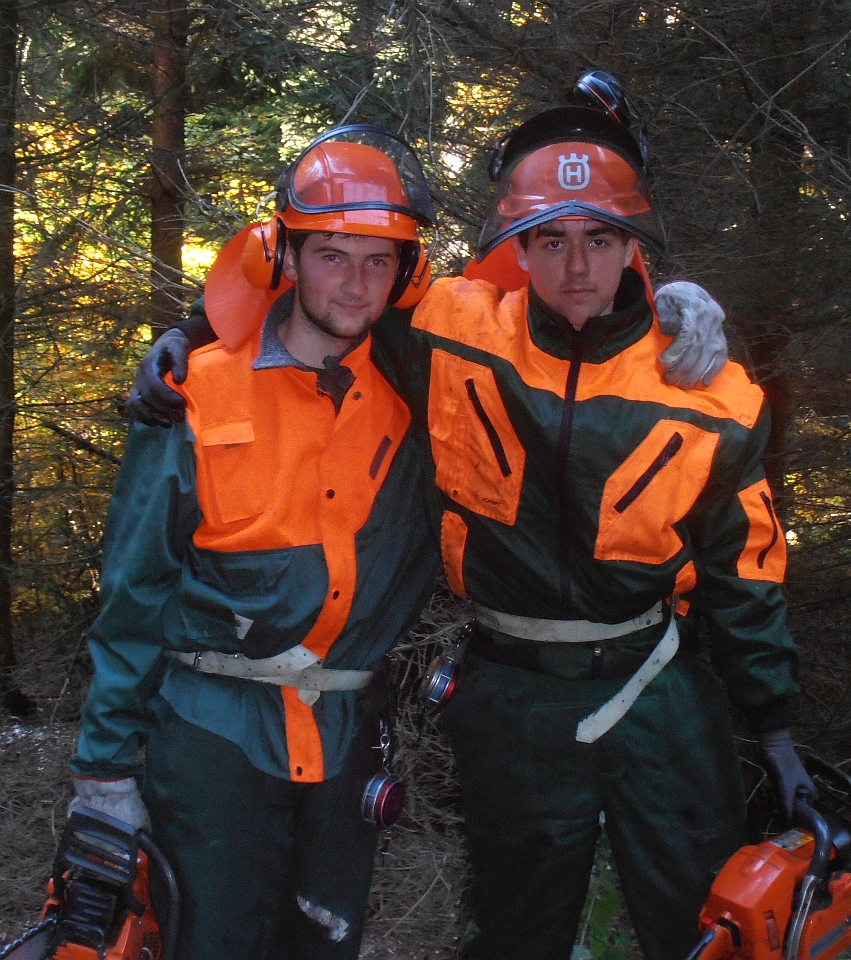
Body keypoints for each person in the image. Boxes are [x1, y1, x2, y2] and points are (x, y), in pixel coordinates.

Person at [130, 76, 811, 960]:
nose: (576, 268)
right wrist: (195, 331)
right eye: (551, 240)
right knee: (517, 929)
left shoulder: (707, 389)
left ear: (632, 246)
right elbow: (331, 272)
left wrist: (775, 728)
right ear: (518, 245)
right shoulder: (452, 332)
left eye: (601, 240)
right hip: (511, 690)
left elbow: (745, 571)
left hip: (657, 682)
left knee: (702, 924)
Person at [68, 126, 441, 960]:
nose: (356, 283)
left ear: (405, 274)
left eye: (378, 261)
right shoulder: (194, 393)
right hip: (211, 737)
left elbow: (543, 316)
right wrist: (103, 770)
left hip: (344, 735)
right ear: (286, 258)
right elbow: (134, 591)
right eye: (333, 256)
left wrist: (664, 311)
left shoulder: (419, 397)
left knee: (323, 944)